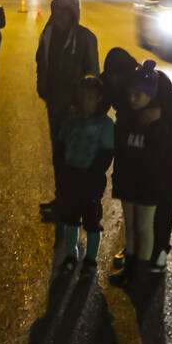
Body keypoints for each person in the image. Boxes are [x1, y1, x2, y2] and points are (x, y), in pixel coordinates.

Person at [101, 47, 172, 272]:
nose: (114, 81)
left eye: (118, 76)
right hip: (138, 152)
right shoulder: (114, 84)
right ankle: (134, 253)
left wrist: (160, 116)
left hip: (168, 151)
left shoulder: (158, 83)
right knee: (137, 209)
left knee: (164, 200)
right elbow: (98, 102)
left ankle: (159, 250)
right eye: (111, 76)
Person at [35, 0, 100, 213]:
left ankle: (73, 204)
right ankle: (61, 198)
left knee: (74, 159)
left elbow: (92, 77)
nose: (59, 15)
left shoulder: (86, 38)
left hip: (75, 112)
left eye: (65, 11)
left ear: (73, 15)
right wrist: (43, 89)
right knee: (58, 156)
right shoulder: (48, 35)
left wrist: (81, 106)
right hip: (55, 106)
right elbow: (41, 63)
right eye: (57, 11)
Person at [107, 60, 166, 286]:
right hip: (128, 181)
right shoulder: (126, 119)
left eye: (138, 95)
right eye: (130, 94)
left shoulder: (157, 124)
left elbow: (159, 159)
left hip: (147, 185)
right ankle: (129, 269)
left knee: (144, 227)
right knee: (130, 226)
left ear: (150, 95)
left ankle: (141, 272)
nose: (132, 99)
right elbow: (120, 150)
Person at [54, 76, 114, 274]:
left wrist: (93, 177)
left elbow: (105, 156)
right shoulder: (71, 120)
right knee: (71, 218)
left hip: (91, 181)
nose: (85, 102)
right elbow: (61, 146)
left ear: (99, 98)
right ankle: (71, 256)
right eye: (82, 97)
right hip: (71, 177)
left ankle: (90, 260)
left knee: (92, 221)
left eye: (90, 97)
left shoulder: (105, 124)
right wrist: (62, 173)